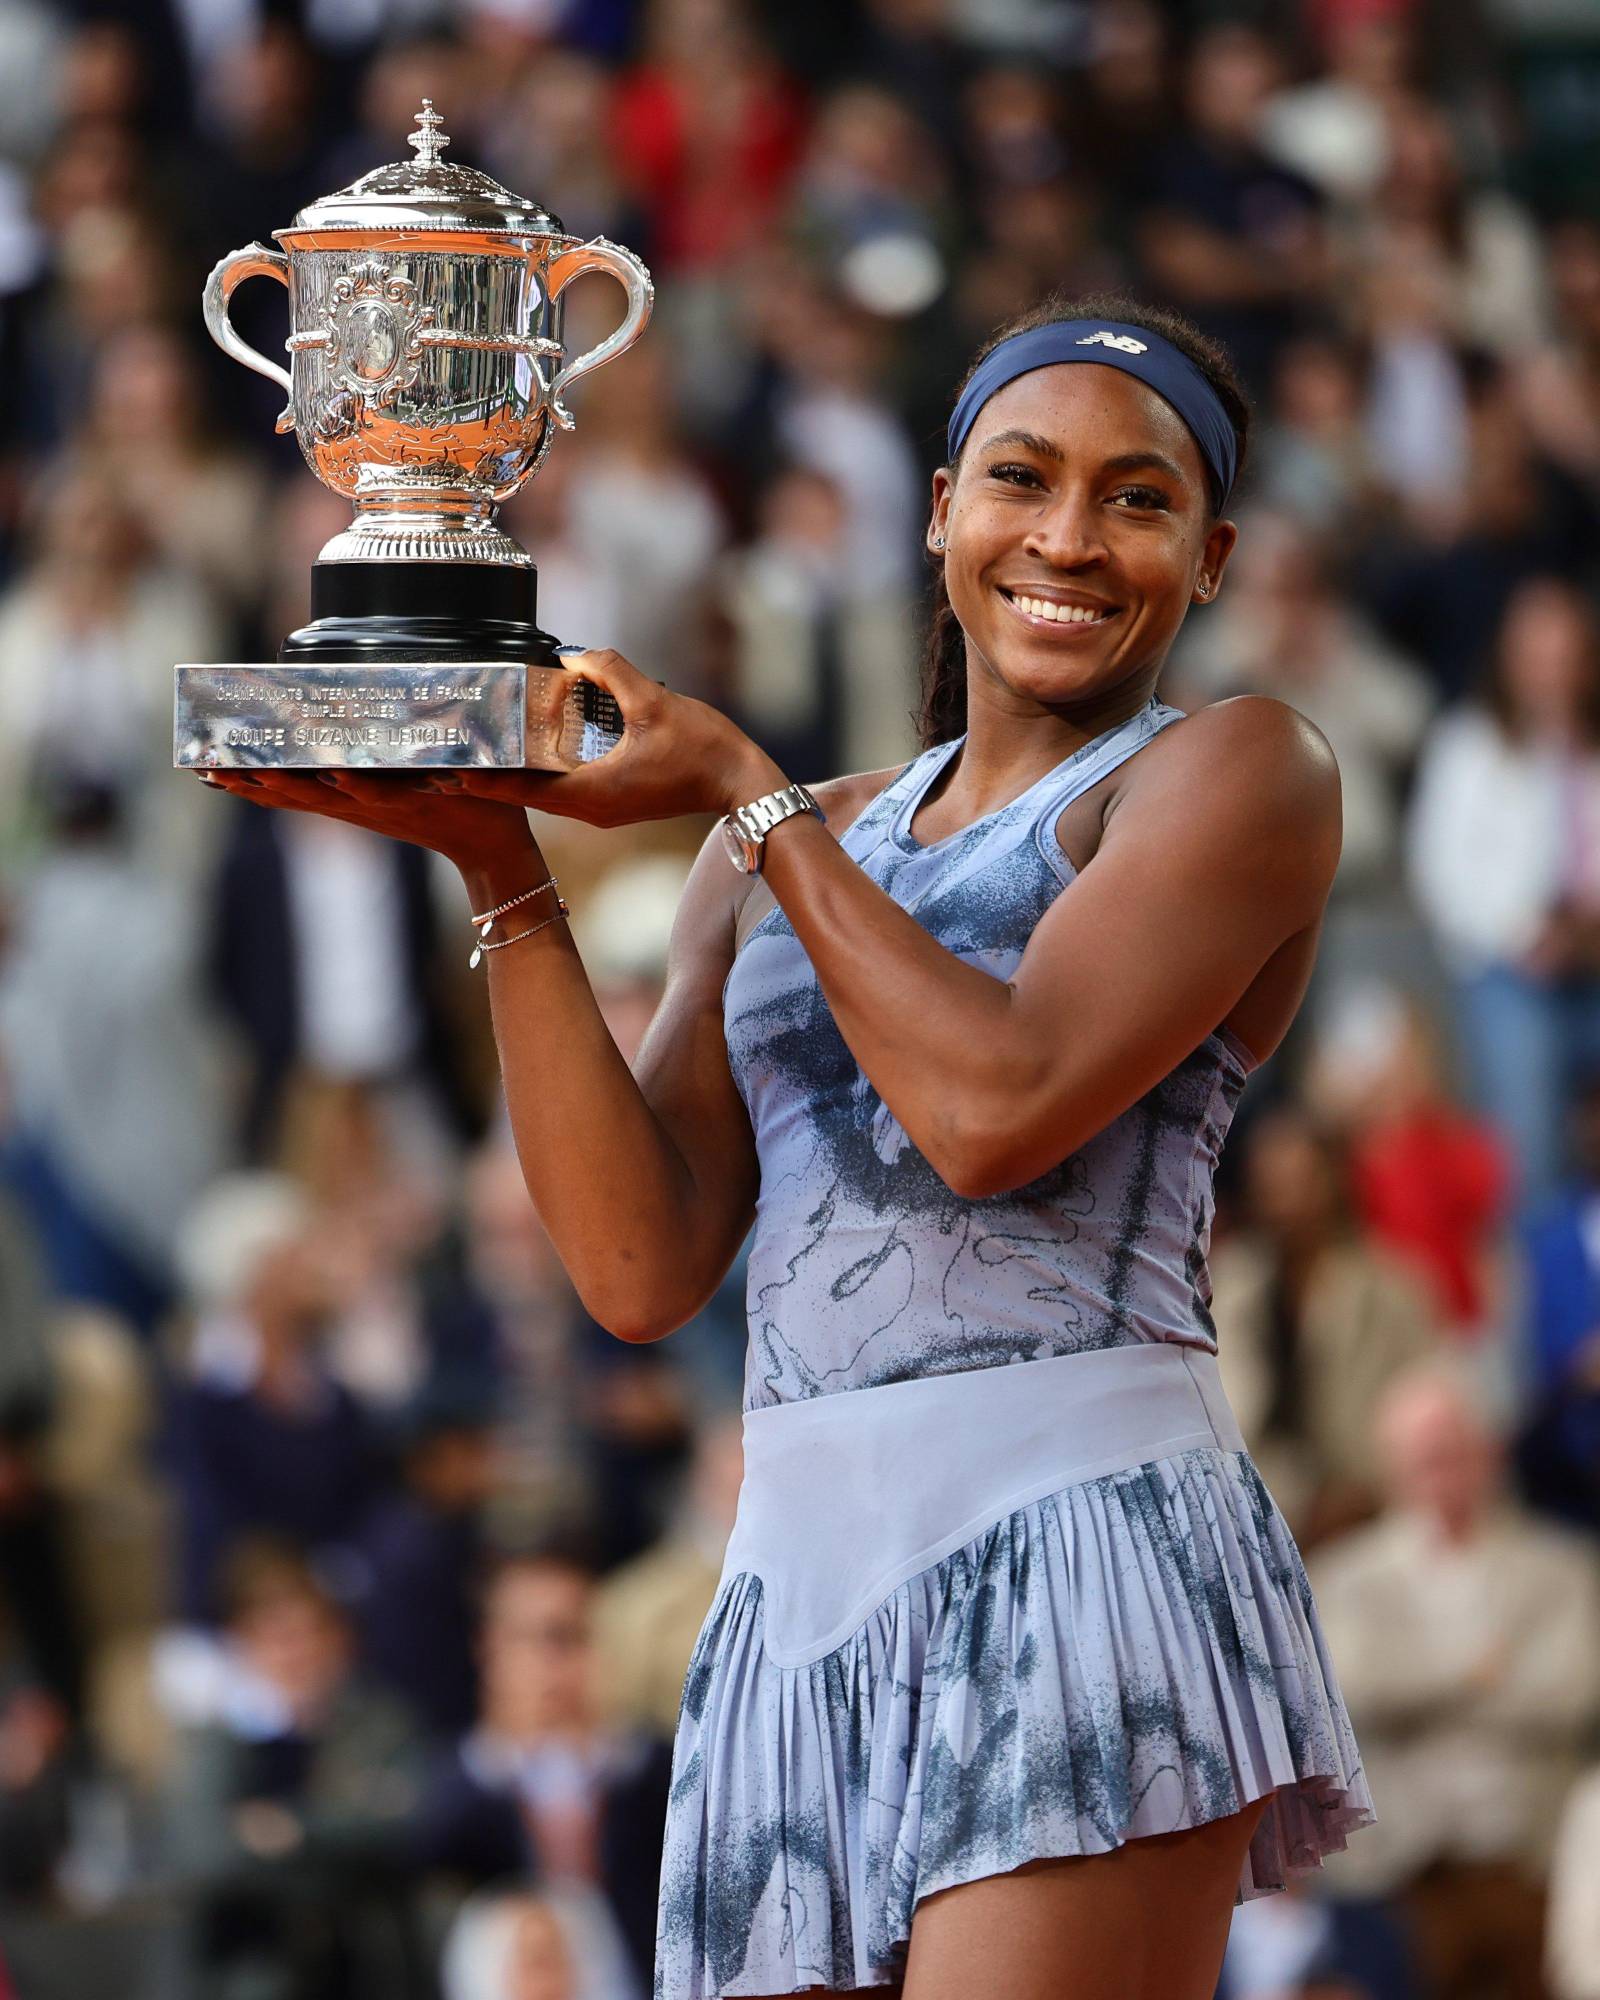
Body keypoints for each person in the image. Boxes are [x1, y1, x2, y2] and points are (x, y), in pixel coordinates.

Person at [197, 288, 1374, 2000]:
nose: (1068, 536)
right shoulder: (794, 837)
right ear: (940, 512)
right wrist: (495, 867)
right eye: (1021, 479)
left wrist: (742, 785)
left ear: (1210, 556)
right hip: (794, 1586)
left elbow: (991, 1112)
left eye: (1138, 497)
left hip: (1082, 1542)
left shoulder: (1240, 770)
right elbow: (637, 1265)